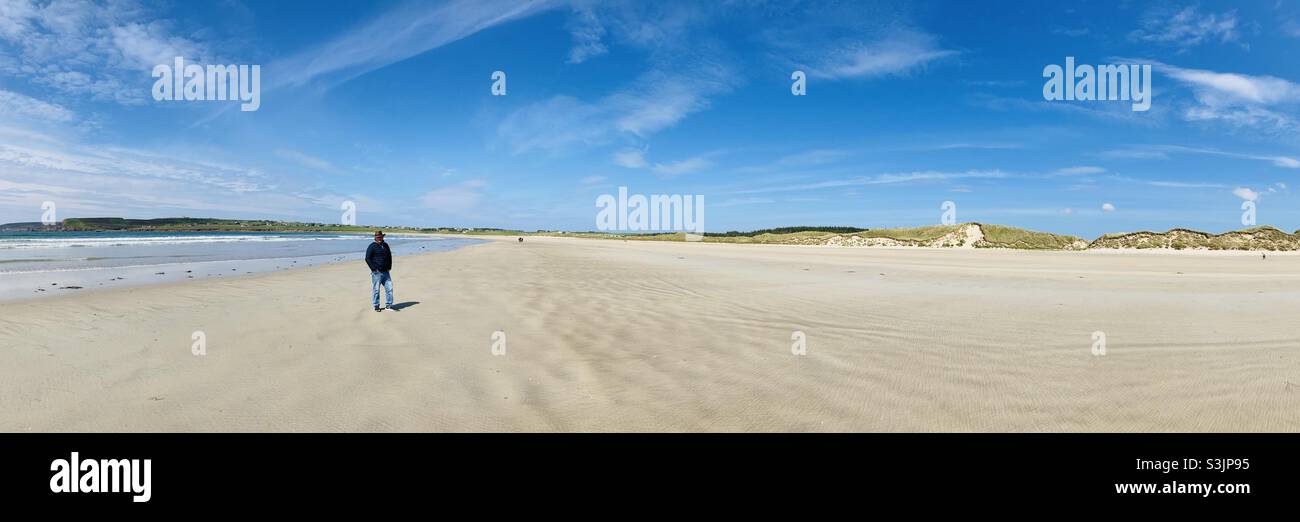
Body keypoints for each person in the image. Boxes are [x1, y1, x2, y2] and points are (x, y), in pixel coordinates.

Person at [365, 230, 394, 311]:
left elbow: (389, 256)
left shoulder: (386, 245)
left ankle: (388, 305)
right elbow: (367, 258)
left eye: (380, 237)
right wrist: (374, 269)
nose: (379, 238)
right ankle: (376, 306)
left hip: (386, 272)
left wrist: (390, 266)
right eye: (377, 237)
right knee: (376, 290)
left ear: (382, 237)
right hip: (377, 273)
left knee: (389, 289)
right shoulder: (372, 246)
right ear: (375, 238)